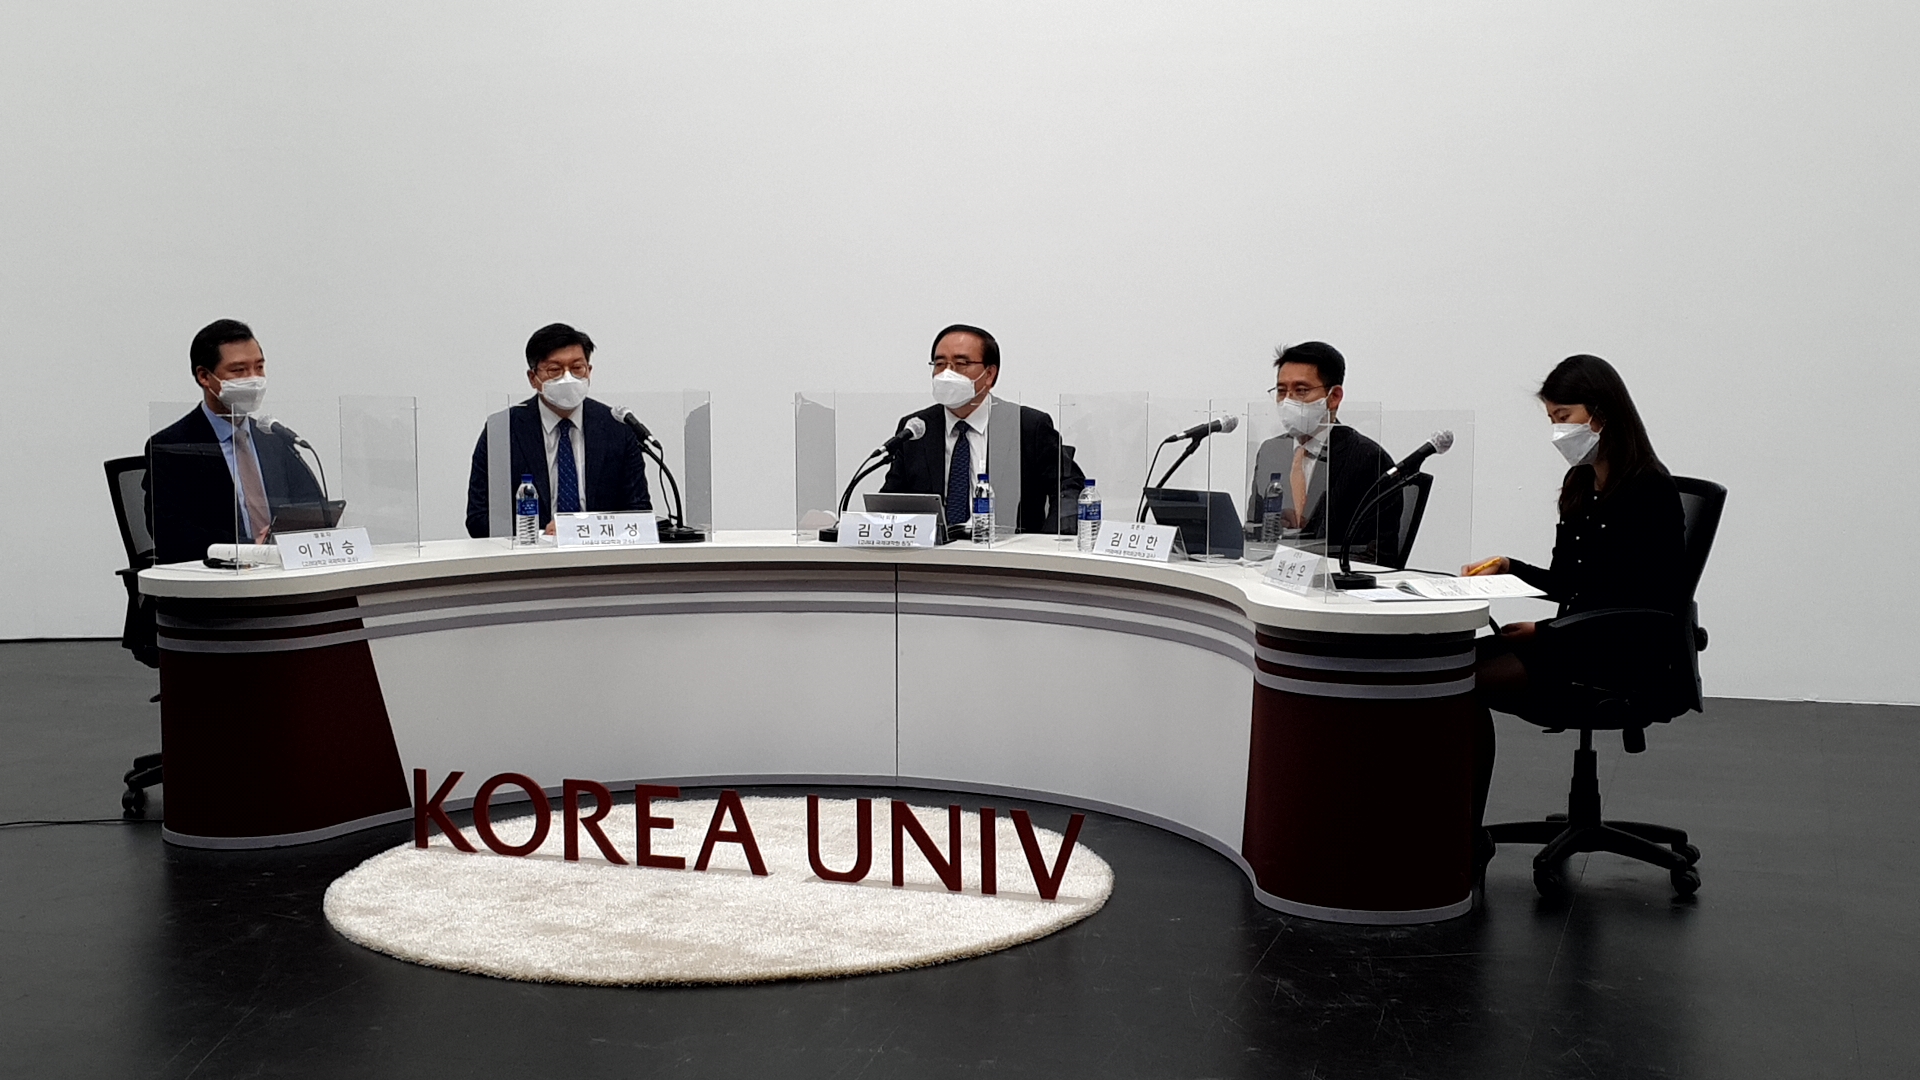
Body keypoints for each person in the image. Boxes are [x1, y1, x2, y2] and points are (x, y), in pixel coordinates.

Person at [1461, 354, 1688, 863]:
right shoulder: (1581, 483)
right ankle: (1456, 830)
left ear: (1600, 413)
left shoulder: (1649, 490)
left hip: (1621, 653)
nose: (1558, 432)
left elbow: (1640, 602)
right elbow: (1568, 581)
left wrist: (1544, 634)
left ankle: (1467, 840)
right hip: (1575, 638)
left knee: (1463, 684)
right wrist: (1509, 567)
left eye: (1563, 416)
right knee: (1452, 669)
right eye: (1552, 419)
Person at [144, 319, 325, 565]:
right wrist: (248, 548)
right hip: (219, 575)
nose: (254, 379)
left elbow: (313, 507)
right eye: (239, 371)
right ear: (204, 376)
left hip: (282, 570)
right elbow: (169, 531)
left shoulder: (274, 439)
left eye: (259, 367)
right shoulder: (172, 446)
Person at [879, 324, 1085, 535]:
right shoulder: (917, 429)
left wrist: (1047, 540)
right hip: (935, 551)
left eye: (961, 364)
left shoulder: (1027, 425)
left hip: (1008, 548)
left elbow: (1069, 486)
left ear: (989, 374)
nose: (947, 373)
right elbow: (891, 502)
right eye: (940, 364)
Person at [464, 323, 651, 538]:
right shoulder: (503, 430)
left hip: (599, 553)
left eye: (577, 368)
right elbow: (479, 518)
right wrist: (541, 534)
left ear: (589, 371)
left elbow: (639, 513)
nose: (567, 378)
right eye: (555, 370)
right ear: (533, 378)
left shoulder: (616, 427)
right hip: (531, 553)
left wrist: (584, 530)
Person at [1244, 341, 1401, 564]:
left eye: (1301, 390)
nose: (1288, 401)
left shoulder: (1367, 459)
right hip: (1272, 573)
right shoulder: (1271, 451)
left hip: (1332, 580)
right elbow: (1254, 530)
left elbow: (1377, 554)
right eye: (1281, 391)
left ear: (1334, 397)